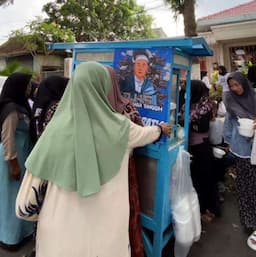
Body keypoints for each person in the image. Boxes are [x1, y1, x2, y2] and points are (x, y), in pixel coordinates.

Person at [16, 62, 171, 257]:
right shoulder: (121, 127)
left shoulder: (53, 131)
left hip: (58, 239)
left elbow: (24, 207)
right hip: (106, 238)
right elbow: (146, 134)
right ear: (103, 89)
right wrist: (160, 129)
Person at [24, 75, 69, 257]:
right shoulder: (57, 107)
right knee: (52, 209)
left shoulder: (39, 106)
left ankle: (38, 247)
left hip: (40, 163)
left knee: (41, 207)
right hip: (54, 166)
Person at [106, 66, 144, 257]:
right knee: (125, 208)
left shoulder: (89, 106)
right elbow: (140, 130)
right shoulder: (127, 107)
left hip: (97, 169)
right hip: (123, 167)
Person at [0, 73, 34, 250]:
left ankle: (22, 232)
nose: (30, 89)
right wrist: (13, 164)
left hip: (21, 156)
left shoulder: (20, 106)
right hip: (12, 158)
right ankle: (9, 238)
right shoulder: (11, 110)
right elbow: (7, 138)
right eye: (27, 85)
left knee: (19, 195)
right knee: (11, 197)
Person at [223, 71, 256, 251]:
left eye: (237, 84)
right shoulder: (231, 101)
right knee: (244, 186)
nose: (235, 89)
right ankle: (249, 220)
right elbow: (228, 124)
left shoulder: (254, 97)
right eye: (231, 86)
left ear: (244, 82)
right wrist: (228, 142)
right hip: (241, 150)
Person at [187, 80, 220, 223]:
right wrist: (191, 124)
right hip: (191, 146)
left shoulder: (205, 106)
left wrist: (188, 123)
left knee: (206, 179)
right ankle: (200, 207)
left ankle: (211, 209)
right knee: (196, 179)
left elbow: (202, 127)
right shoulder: (190, 103)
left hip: (202, 147)